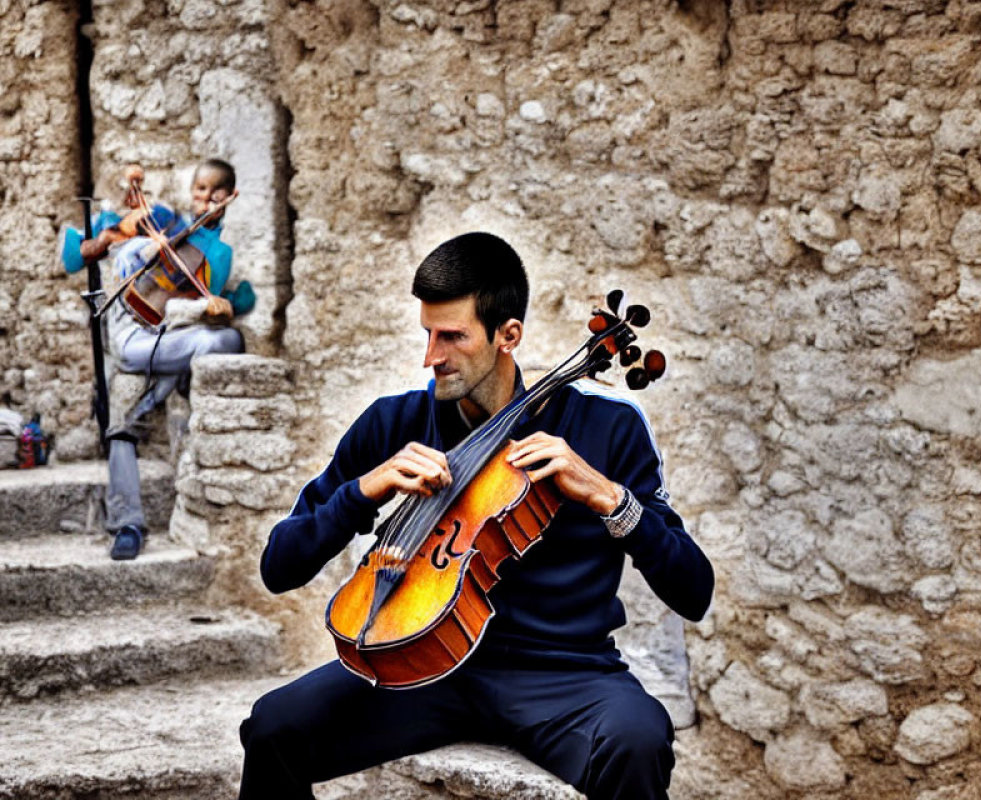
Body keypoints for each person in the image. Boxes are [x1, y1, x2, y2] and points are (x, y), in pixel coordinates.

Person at [238, 232, 713, 800]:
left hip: (563, 677)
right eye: (427, 334)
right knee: (272, 727)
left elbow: (695, 590)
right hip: (422, 665)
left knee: (638, 739)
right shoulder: (396, 421)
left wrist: (610, 497)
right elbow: (279, 567)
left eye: (452, 337)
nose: (430, 357)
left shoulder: (608, 429)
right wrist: (363, 491)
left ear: (507, 335)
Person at [61, 159, 255, 560]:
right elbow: (75, 259)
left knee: (226, 339)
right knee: (120, 424)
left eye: (215, 194)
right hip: (134, 330)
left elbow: (202, 303)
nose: (205, 199)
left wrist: (224, 306)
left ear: (229, 198)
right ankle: (127, 523)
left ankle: (161, 388)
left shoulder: (218, 253)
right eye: (200, 190)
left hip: (171, 340)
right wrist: (119, 239)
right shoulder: (164, 219)